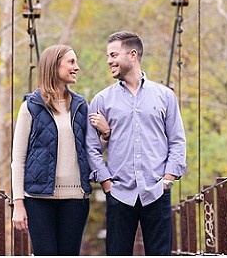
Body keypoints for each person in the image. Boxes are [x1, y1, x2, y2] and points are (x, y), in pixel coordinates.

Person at [87, 31, 187, 256]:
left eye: (114, 55)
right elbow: (91, 148)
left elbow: (177, 141)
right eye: (108, 56)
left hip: (157, 191)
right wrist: (106, 183)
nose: (109, 61)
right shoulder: (102, 100)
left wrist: (168, 180)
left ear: (133, 55)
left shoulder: (165, 96)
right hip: (119, 193)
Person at [11, 44, 94, 255]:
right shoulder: (30, 106)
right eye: (71, 62)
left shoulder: (81, 105)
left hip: (76, 198)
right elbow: (18, 158)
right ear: (54, 66)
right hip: (38, 198)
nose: (76, 67)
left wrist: (105, 134)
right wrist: (18, 204)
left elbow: (90, 149)